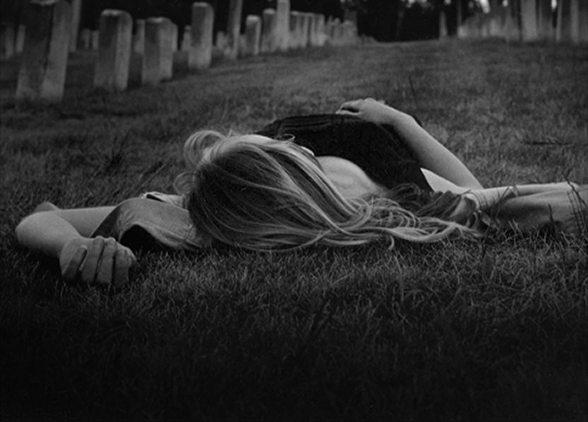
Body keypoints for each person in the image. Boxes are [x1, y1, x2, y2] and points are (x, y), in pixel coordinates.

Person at [15, 99, 587, 287]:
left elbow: (39, 215)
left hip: (264, 163)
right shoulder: (384, 192)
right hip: (320, 152)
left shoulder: (195, 213)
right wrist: (402, 124)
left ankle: (268, 151)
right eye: (299, 155)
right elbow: (477, 193)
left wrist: (70, 246)